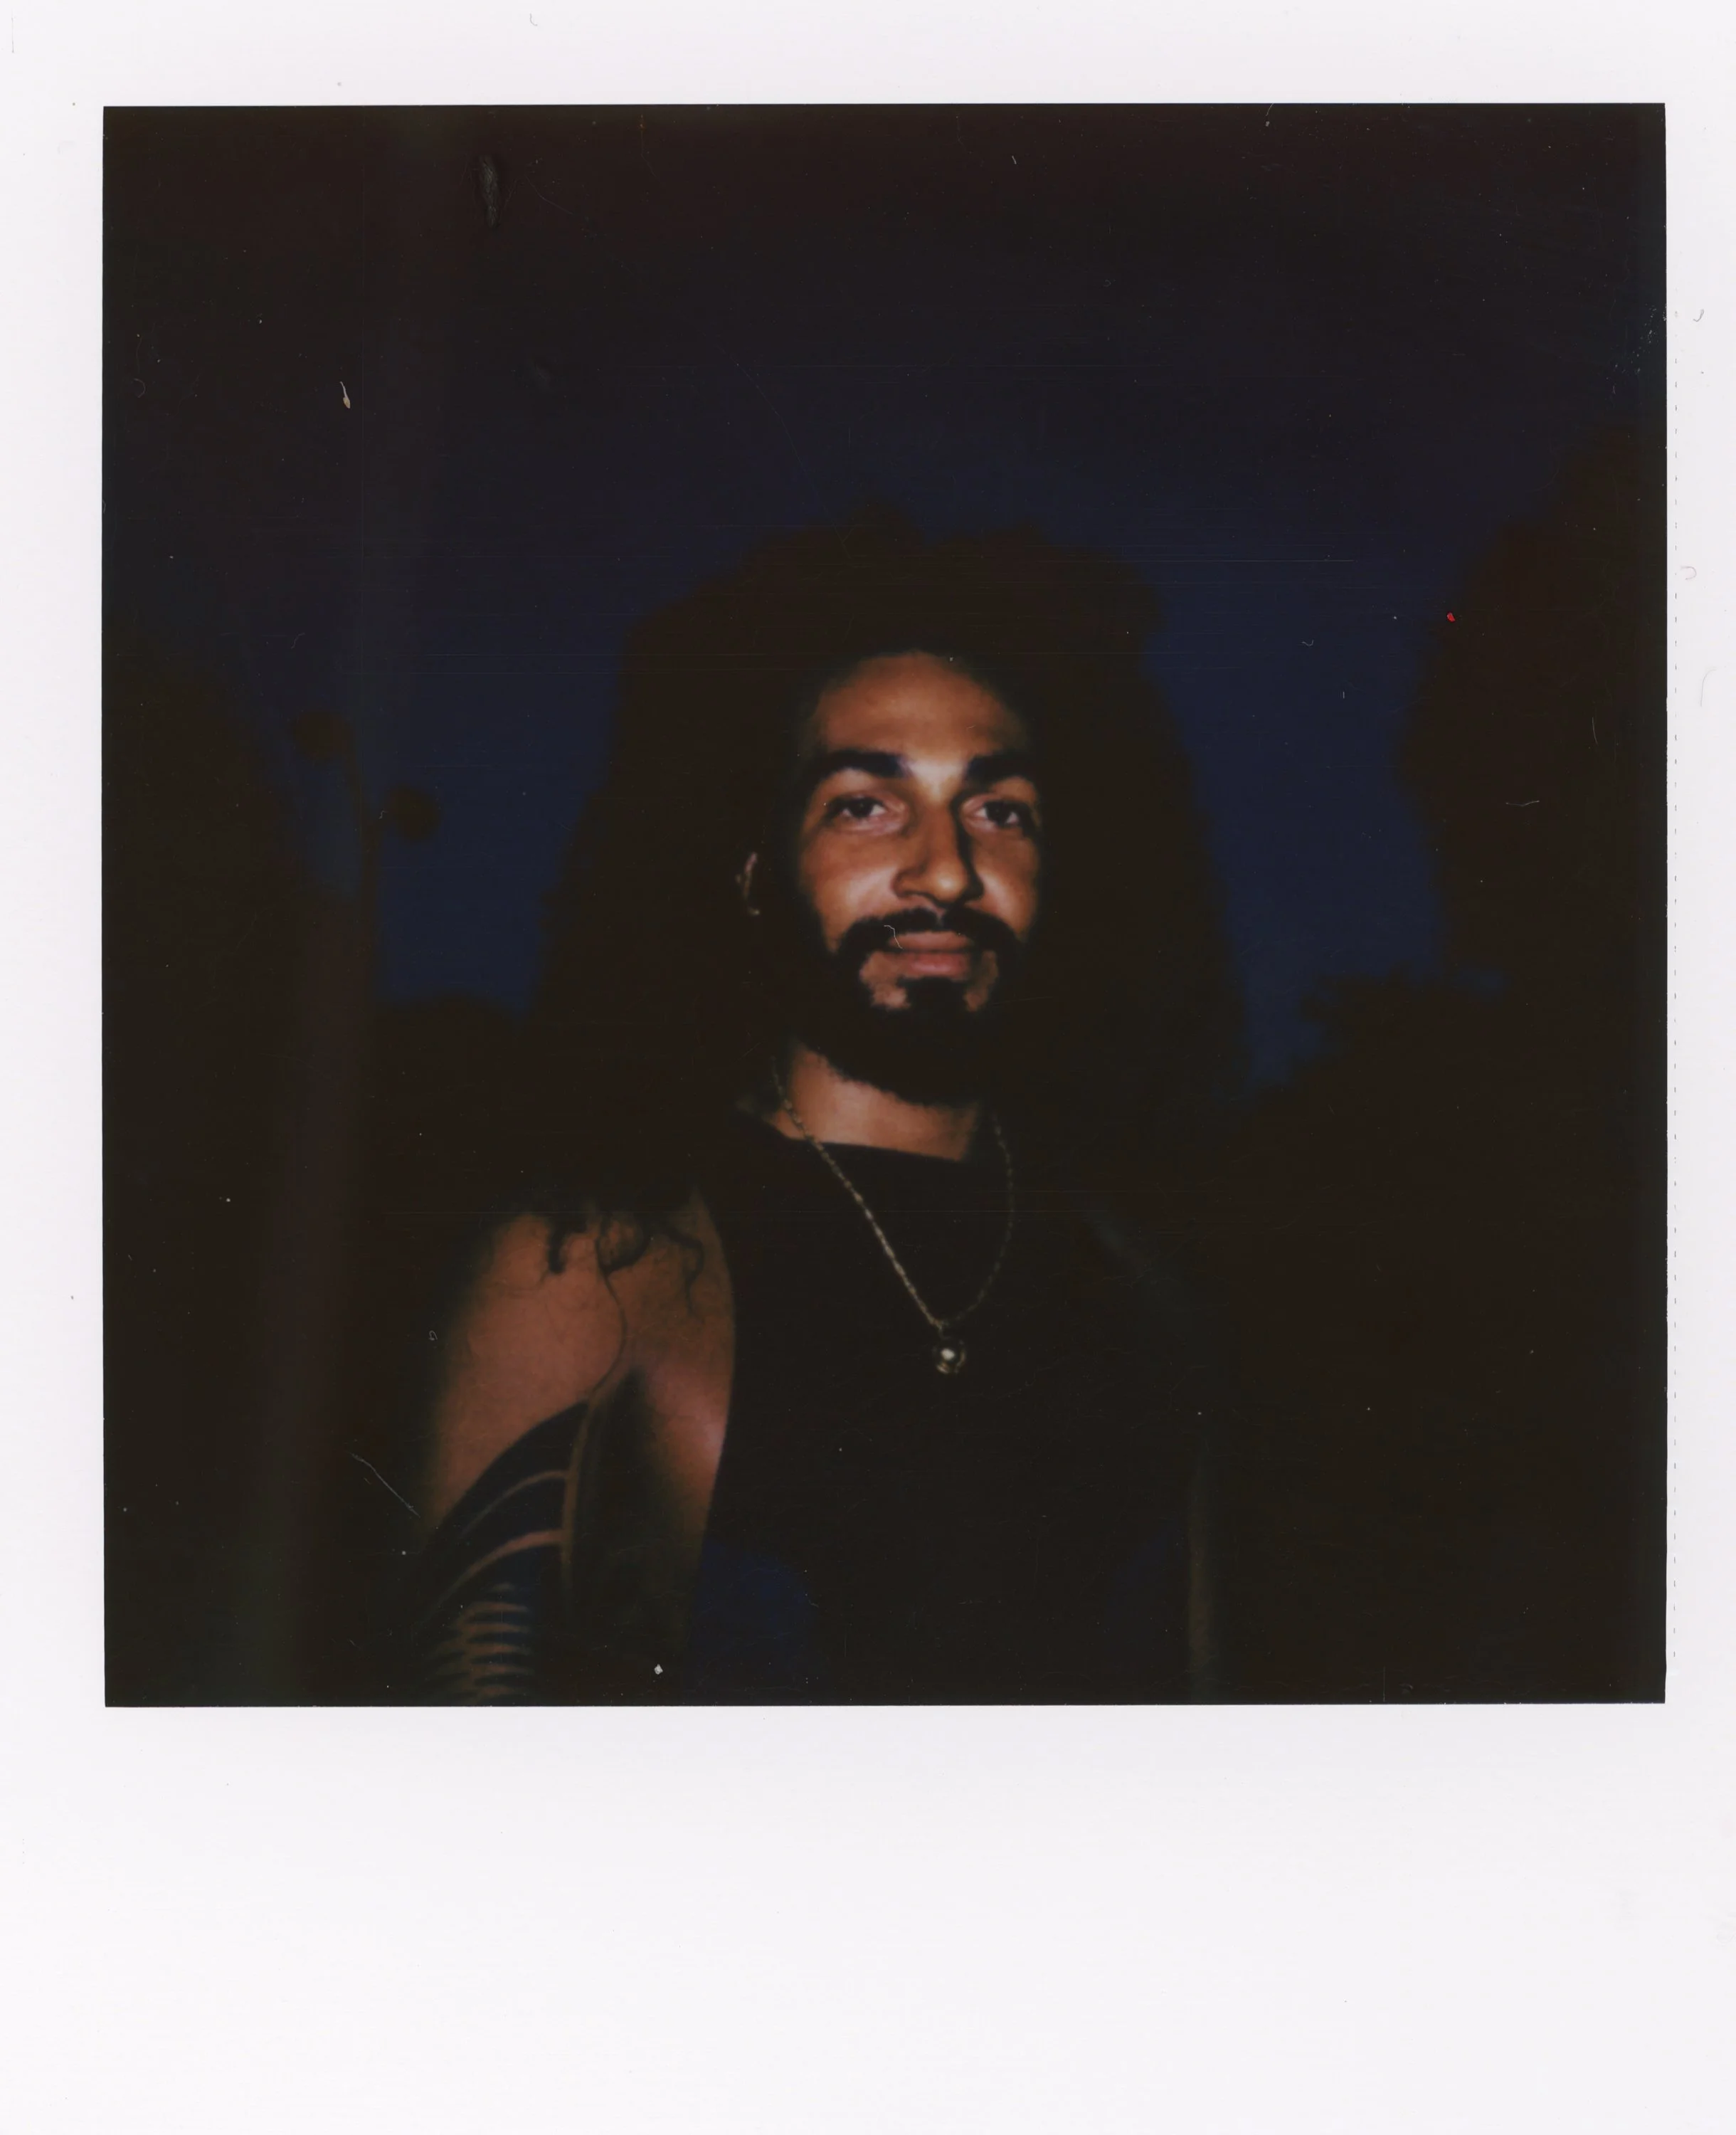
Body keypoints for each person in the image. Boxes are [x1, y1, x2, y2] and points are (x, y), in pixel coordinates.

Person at [397, 513, 1239, 1703]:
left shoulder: (1145, 1297)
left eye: (1000, 811)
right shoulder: (594, 1274)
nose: (947, 870)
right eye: (865, 804)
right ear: (754, 876)